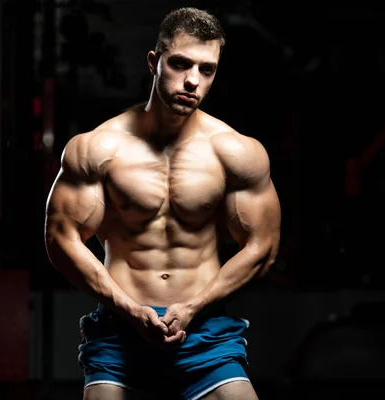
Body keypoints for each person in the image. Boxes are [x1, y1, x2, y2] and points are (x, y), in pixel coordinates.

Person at [44, 7, 281, 400]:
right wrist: (129, 308)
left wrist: (193, 305)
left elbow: (263, 248)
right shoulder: (98, 148)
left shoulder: (236, 152)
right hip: (121, 330)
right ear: (154, 62)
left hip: (203, 331)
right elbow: (61, 239)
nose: (193, 80)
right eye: (181, 64)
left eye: (207, 70)